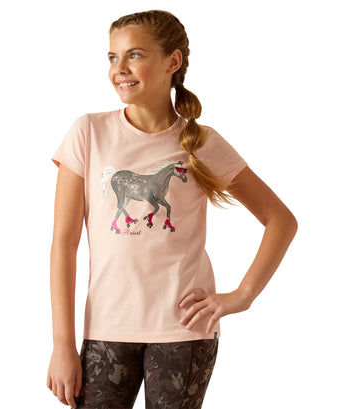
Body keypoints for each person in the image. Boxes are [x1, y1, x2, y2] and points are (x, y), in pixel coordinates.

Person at [46, 9, 298, 409]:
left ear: (172, 61)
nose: (119, 68)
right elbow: (64, 244)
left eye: (134, 55)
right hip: (107, 328)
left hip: (185, 332)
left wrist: (242, 296)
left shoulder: (200, 142)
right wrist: (63, 344)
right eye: (112, 57)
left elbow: (280, 220)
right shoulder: (88, 132)